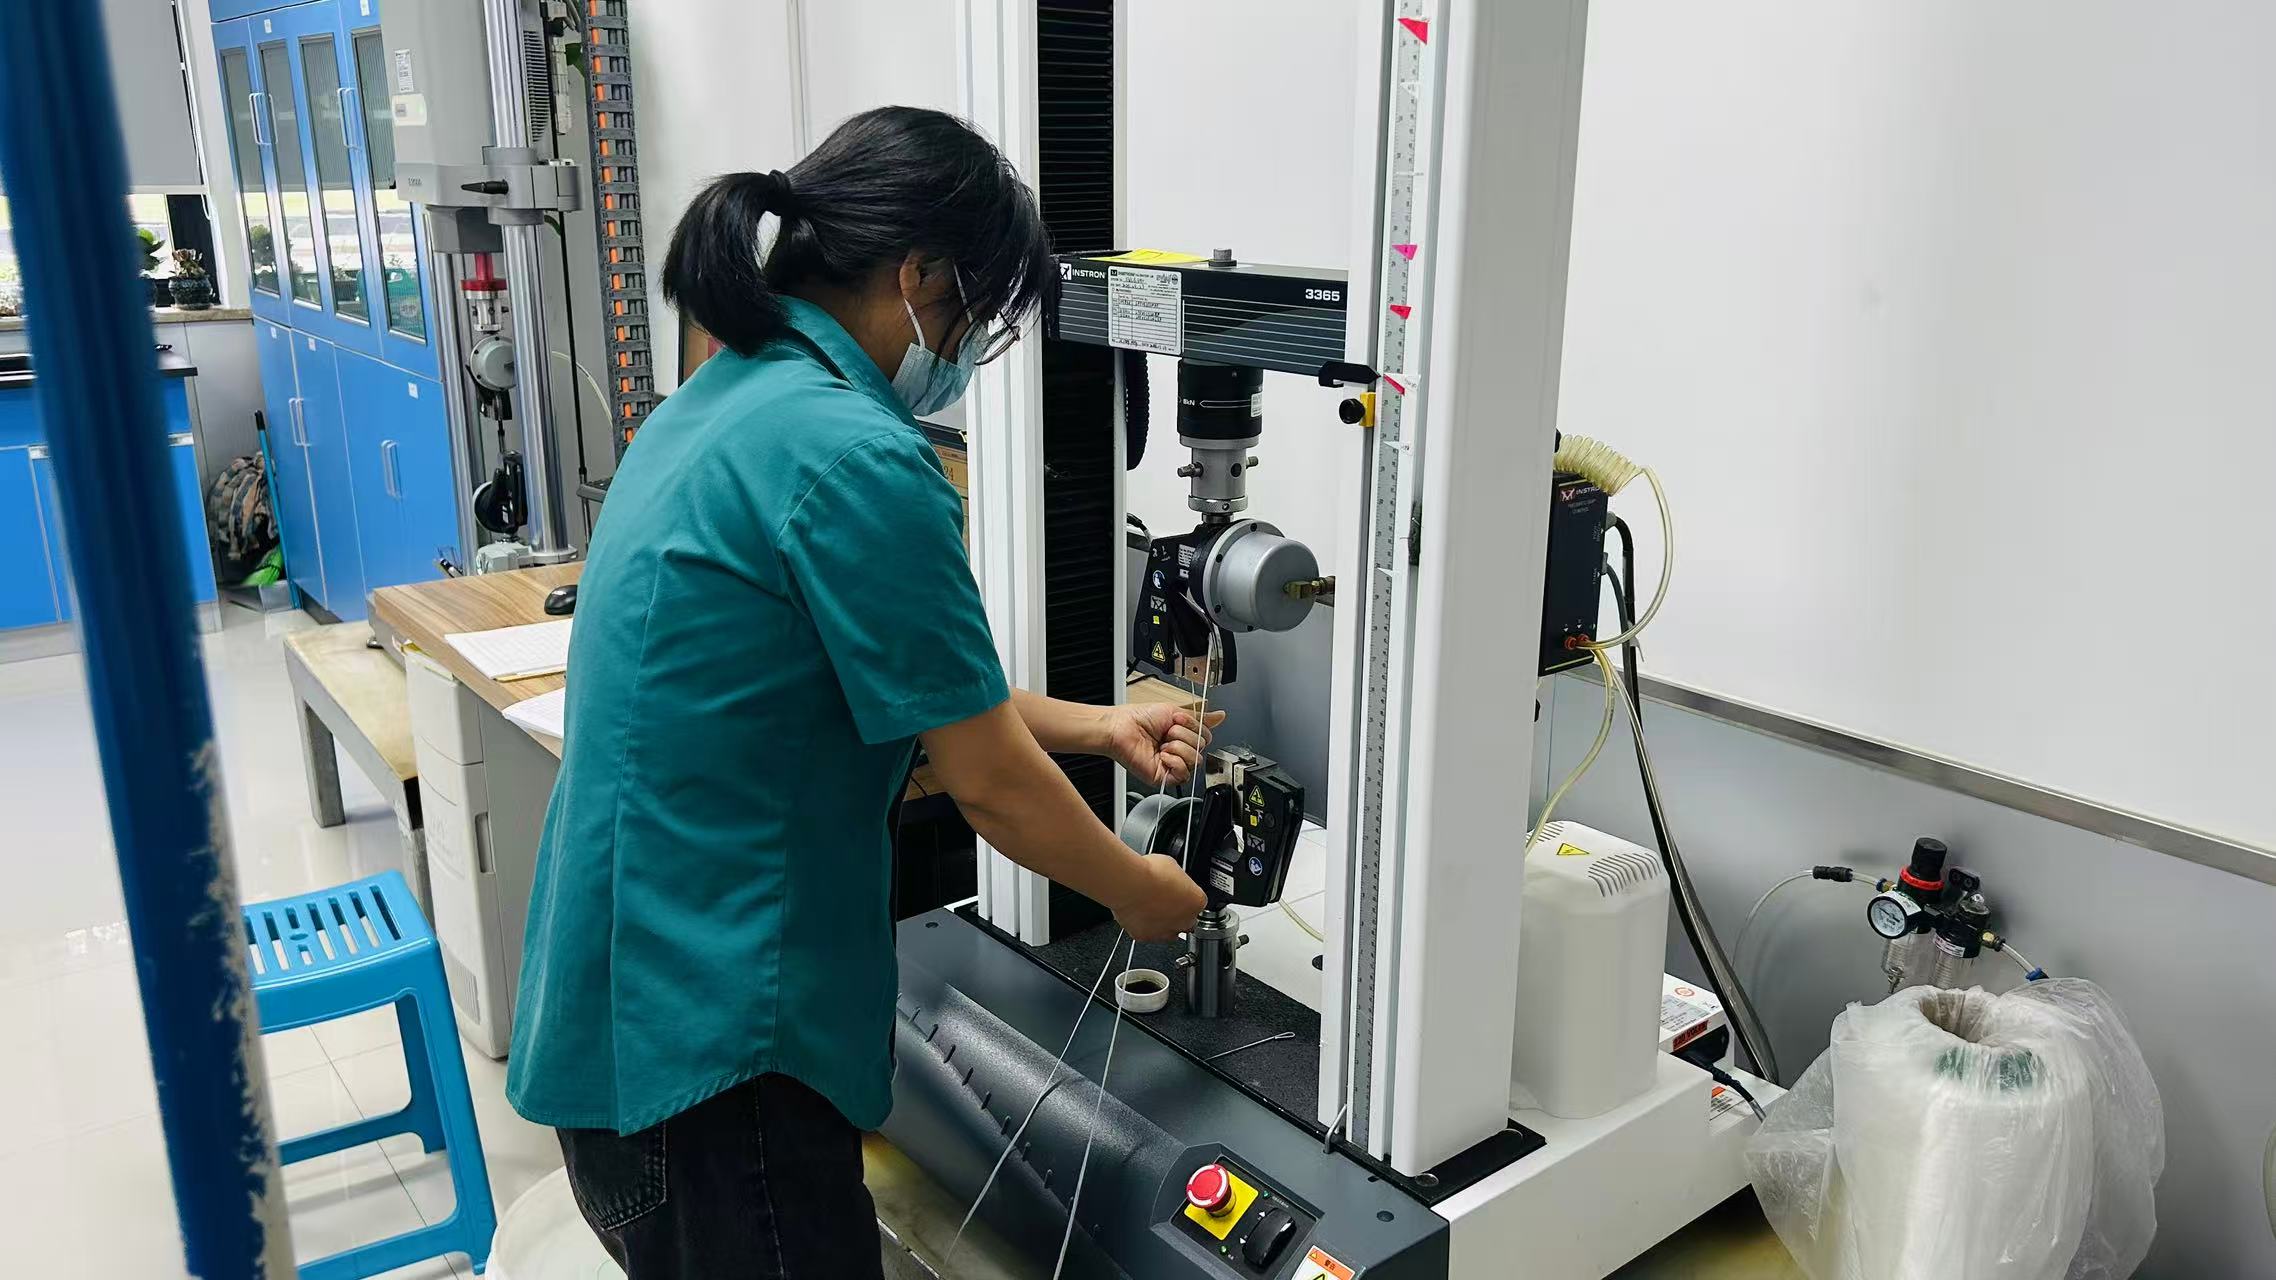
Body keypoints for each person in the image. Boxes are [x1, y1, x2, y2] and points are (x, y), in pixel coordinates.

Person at [504, 106, 1211, 1278]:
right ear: (918, 274)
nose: (967, 346)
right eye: (977, 311)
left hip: (625, 1031)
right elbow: (987, 780)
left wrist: (1099, 724)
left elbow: (917, 686)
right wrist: (1139, 891)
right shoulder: (856, 453)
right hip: (717, 1070)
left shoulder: (724, 397)